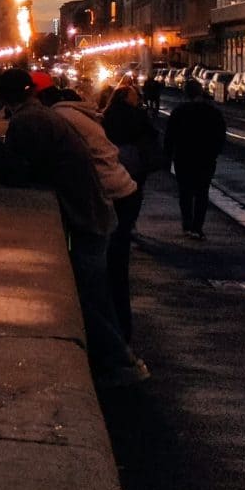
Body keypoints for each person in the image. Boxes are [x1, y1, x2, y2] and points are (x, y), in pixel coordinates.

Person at [0, 68, 149, 388]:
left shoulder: (28, 121)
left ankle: (123, 364)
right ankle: (119, 359)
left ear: (2, 97)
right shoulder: (43, 116)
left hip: (88, 217)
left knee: (90, 297)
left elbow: (19, 169)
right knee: (99, 292)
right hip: (97, 210)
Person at [100, 84, 160, 334]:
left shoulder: (107, 115)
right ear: (129, 97)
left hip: (115, 169)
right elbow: (151, 135)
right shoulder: (138, 116)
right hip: (134, 167)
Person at [165, 90, 228, 238]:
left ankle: (187, 224)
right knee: (202, 192)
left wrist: (168, 155)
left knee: (185, 192)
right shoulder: (213, 113)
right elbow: (220, 136)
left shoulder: (179, 111)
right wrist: (214, 152)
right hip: (205, 158)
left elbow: (170, 135)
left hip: (183, 156)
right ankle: (197, 227)